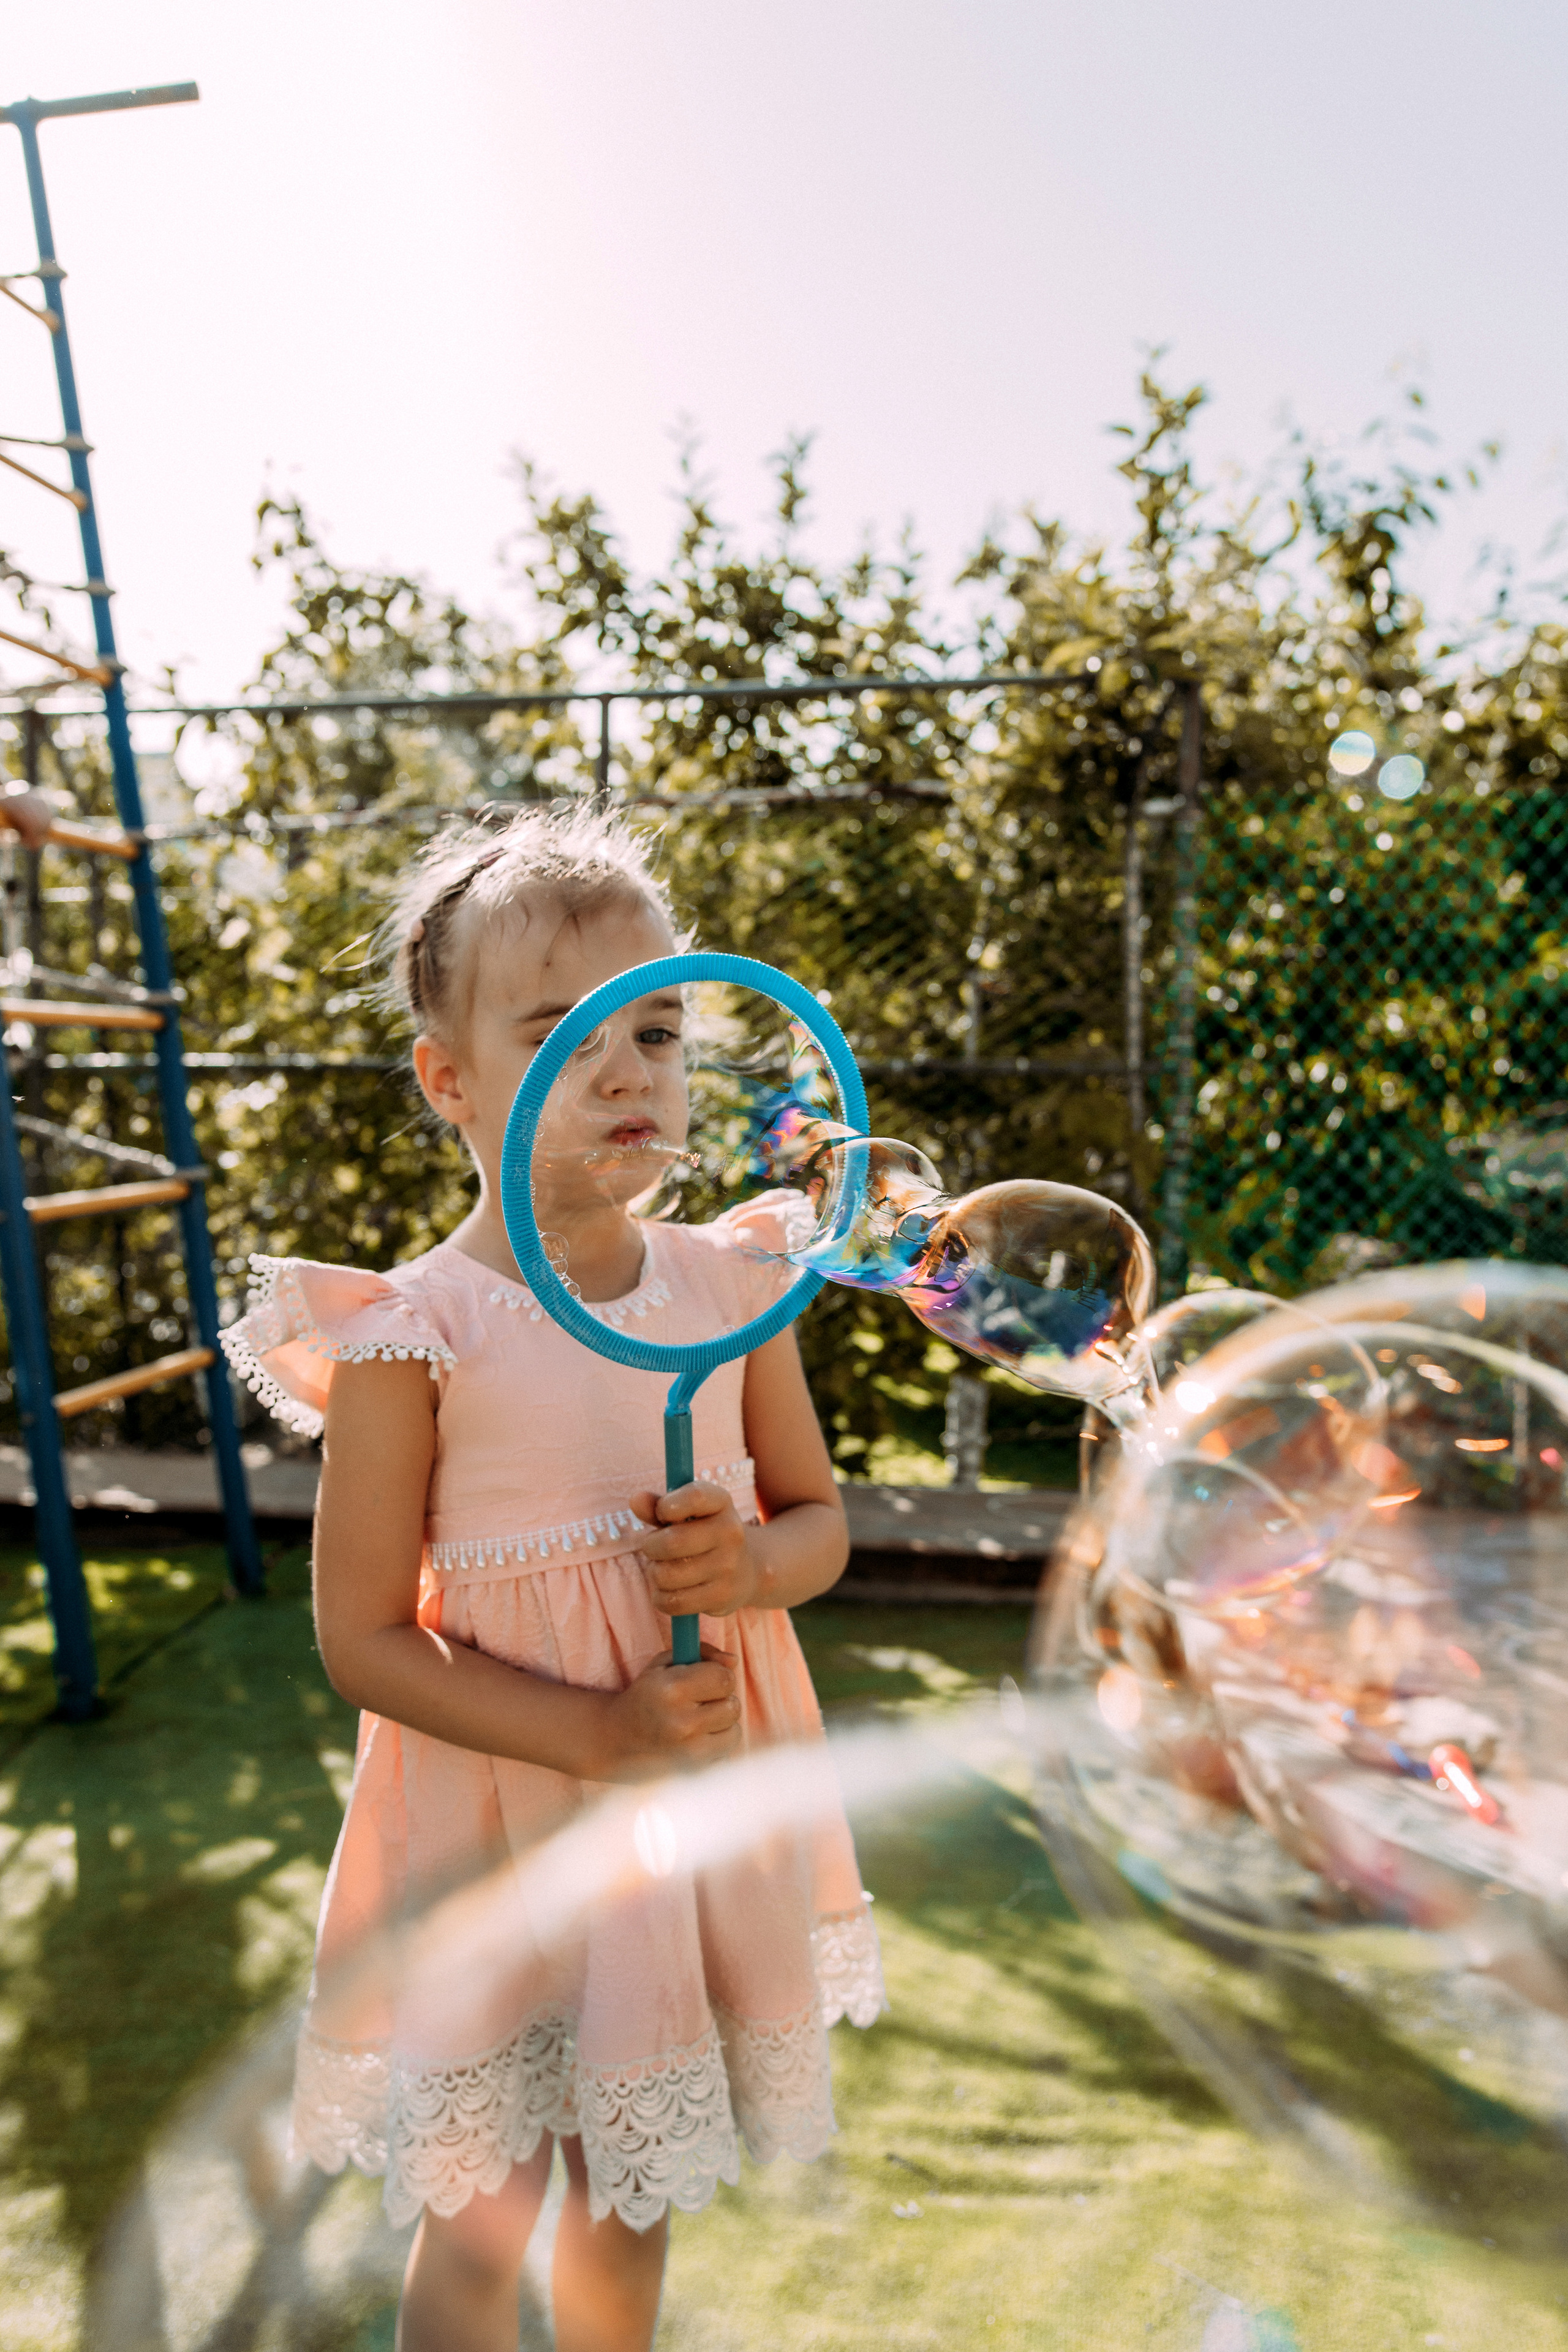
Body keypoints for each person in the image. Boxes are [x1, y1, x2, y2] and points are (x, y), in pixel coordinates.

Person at [222, 803, 883, 2352]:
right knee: (486, 2201)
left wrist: (751, 1560)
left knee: (623, 2192)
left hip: (682, 1822)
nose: (625, 1068)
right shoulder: (412, 1332)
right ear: (446, 1080)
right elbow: (366, 1641)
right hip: (498, 1829)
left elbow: (817, 1527)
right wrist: (593, 1738)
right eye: (565, 1030)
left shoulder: (735, 1283)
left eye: (654, 1028)